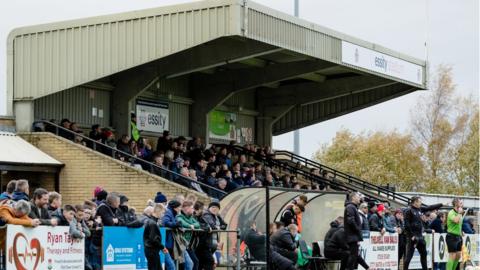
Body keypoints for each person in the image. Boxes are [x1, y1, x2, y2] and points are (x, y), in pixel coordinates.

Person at [403, 196, 443, 270]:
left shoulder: (420, 209)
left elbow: (430, 207)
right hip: (413, 236)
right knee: (409, 256)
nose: (421, 202)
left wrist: (441, 204)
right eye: (420, 201)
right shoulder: (409, 210)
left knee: (424, 254)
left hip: (420, 236)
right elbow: (406, 225)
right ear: (415, 202)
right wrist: (411, 235)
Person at [196, 202, 227, 270]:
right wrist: (218, 227)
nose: (214, 209)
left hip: (211, 245)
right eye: (212, 207)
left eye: (216, 208)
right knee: (210, 262)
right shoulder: (207, 214)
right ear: (209, 208)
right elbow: (212, 225)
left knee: (201, 263)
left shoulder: (217, 216)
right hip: (204, 244)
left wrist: (219, 226)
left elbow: (225, 225)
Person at [176, 200, 201, 270]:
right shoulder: (179, 216)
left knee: (195, 261)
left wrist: (191, 225)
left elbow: (198, 224)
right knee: (185, 264)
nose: (193, 210)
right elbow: (181, 222)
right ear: (186, 208)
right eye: (192, 208)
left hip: (188, 245)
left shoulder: (191, 217)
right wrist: (190, 226)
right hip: (181, 244)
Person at [144, 204, 167, 270]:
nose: (163, 215)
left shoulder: (152, 222)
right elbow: (153, 239)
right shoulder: (152, 223)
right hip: (152, 251)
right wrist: (162, 247)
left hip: (151, 250)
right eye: (163, 213)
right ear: (158, 211)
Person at [343, 192, 362, 270]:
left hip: (353, 236)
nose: (359, 198)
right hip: (352, 236)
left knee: (353, 256)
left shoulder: (352, 207)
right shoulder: (350, 207)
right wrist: (357, 229)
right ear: (353, 197)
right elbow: (351, 221)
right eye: (358, 197)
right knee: (353, 256)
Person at [446, 198, 464, 270]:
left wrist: (461, 231)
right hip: (451, 236)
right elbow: (456, 221)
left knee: (458, 256)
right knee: (452, 255)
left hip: (458, 236)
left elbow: (459, 224)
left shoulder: (459, 213)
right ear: (456, 203)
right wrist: (459, 213)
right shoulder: (451, 212)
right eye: (460, 202)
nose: (461, 203)